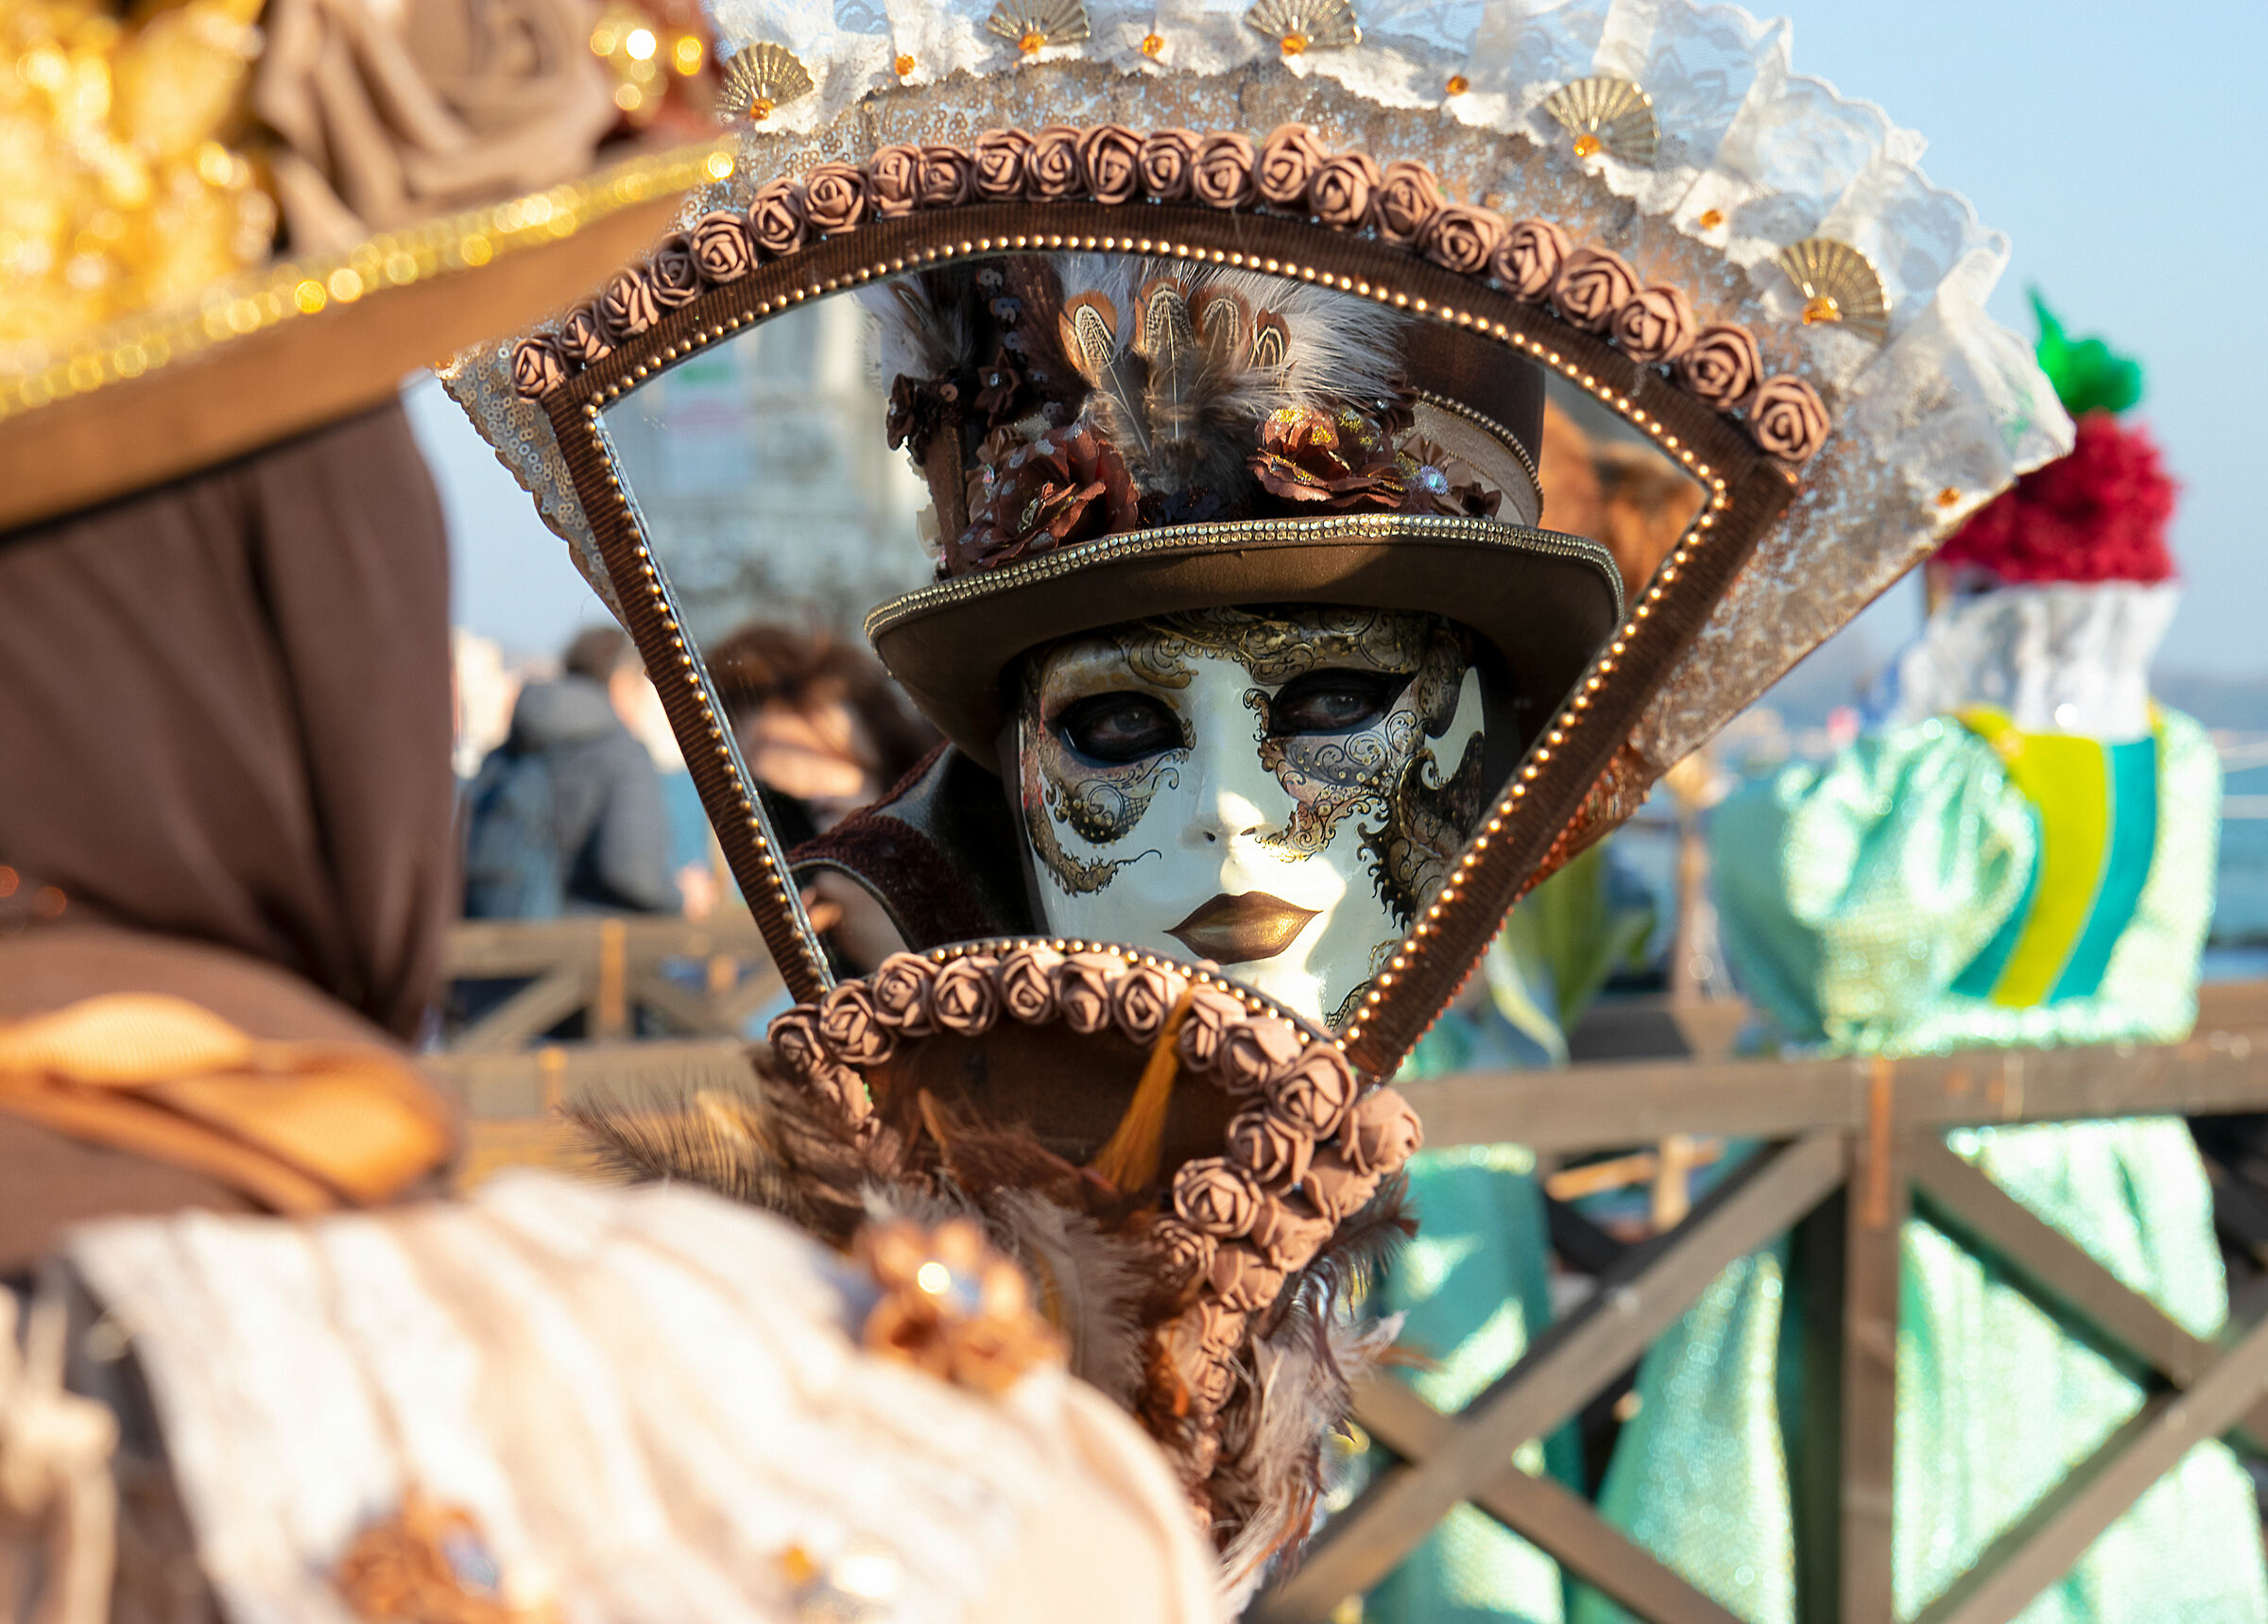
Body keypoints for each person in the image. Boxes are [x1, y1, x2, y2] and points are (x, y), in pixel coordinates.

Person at [1582, 299, 2266, 1624]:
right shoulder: (2175, 769)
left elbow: (1836, 958)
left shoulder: (1951, 774)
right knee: (2105, 1490)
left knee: (1917, 1504)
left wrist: (1867, 762)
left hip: (1921, 1196)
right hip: (2112, 1186)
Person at [463, 625, 685, 918]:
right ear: (621, 682)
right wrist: (680, 897)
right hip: (590, 950)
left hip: (497, 942)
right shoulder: (624, 753)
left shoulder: (508, 750)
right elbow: (633, 874)